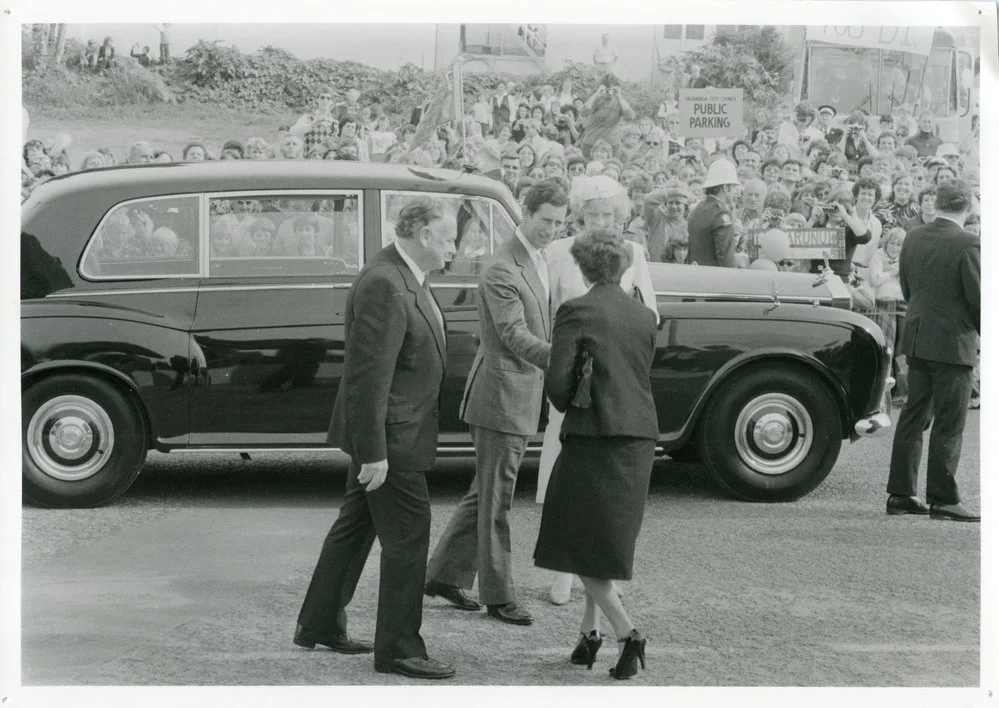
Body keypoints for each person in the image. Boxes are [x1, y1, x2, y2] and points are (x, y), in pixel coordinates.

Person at [295, 198, 458, 680]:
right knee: (408, 540)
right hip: (392, 439)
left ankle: (319, 623)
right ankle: (398, 650)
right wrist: (375, 452)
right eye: (448, 237)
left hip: (394, 432)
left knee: (354, 529)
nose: (455, 247)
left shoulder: (405, 276)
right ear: (424, 234)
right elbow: (368, 377)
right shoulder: (386, 283)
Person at [424, 180, 569, 626]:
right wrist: (567, 356)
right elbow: (514, 336)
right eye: (545, 220)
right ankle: (499, 595)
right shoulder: (502, 267)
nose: (551, 230)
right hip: (500, 396)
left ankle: (444, 575)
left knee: (483, 494)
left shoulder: (535, 259)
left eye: (559, 223)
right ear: (526, 214)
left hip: (513, 394)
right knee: (497, 500)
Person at [535, 228, 658, 680]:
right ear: (623, 266)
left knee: (576, 537)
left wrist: (567, 400)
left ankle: (628, 633)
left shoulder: (577, 310)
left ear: (583, 267)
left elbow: (558, 384)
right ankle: (589, 634)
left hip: (593, 435)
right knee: (598, 540)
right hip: (638, 434)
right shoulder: (644, 315)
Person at [886, 179, 980, 522]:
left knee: (913, 416)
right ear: (967, 205)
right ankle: (943, 499)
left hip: (918, 335)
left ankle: (901, 493)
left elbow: (907, 286)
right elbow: (978, 298)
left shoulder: (913, 236)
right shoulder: (969, 242)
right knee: (949, 422)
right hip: (952, 341)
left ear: (936, 202)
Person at [686, 159, 740, 267]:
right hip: (714, 279)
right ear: (725, 187)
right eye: (734, 186)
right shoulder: (721, 214)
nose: (736, 191)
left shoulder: (697, 209)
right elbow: (726, 258)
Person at [578, 75, 636, 160]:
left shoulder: (620, 102)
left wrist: (619, 97)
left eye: (611, 89)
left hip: (612, 143)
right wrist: (596, 94)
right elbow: (583, 112)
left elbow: (631, 116)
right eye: (607, 88)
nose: (609, 92)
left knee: (612, 168)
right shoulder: (596, 99)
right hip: (591, 142)